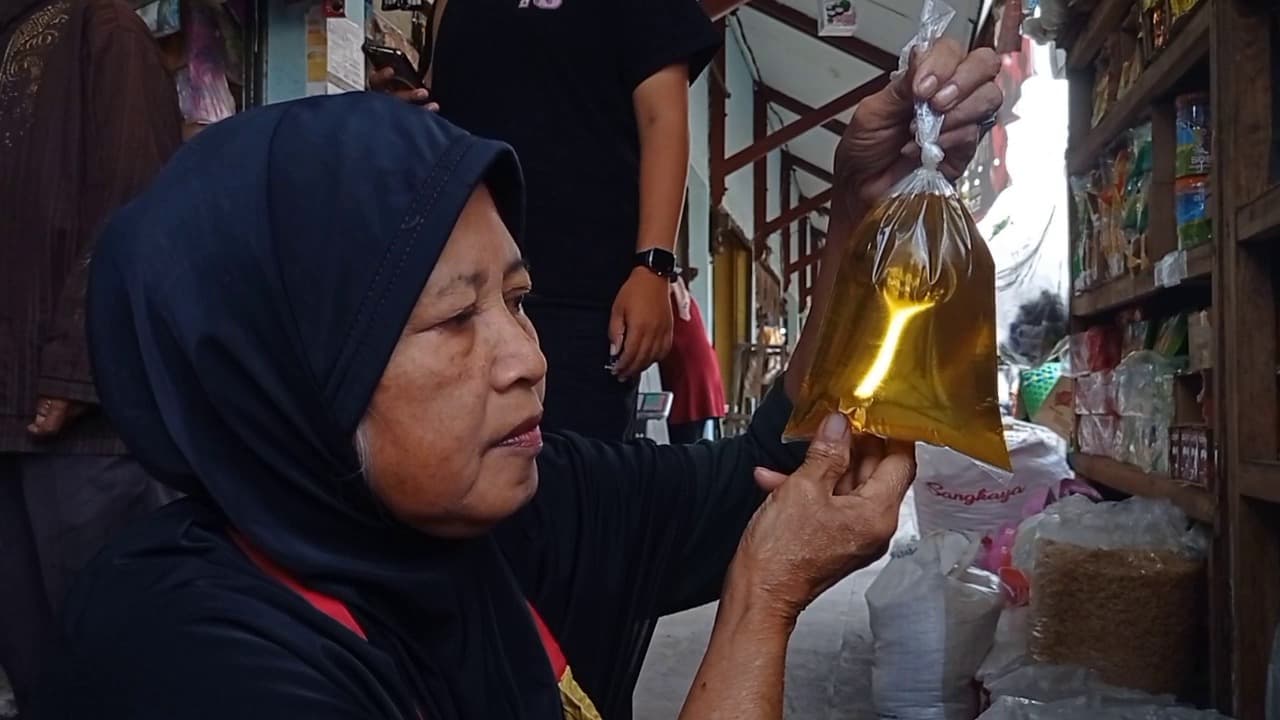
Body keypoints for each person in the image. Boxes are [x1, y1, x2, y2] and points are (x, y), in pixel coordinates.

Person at [35, 36, 1002, 719]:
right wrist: (761, 606)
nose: (530, 357)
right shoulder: (193, 660)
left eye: (520, 300)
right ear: (282, 373)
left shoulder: (517, 505)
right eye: (457, 318)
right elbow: (765, 547)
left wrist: (862, 209)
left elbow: (769, 466)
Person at [373, 0, 720, 443]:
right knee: (450, 472)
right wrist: (404, 106)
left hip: (582, 298)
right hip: (456, 287)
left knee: (571, 478)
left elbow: (663, 120)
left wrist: (653, 266)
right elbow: (445, 111)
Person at [0, 0, 182, 711]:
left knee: (107, 664)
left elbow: (135, 207)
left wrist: (76, 364)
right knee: (40, 667)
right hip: (17, 421)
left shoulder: (101, 31)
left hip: (86, 430)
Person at [659, 272, 727, 444]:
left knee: (683, 445)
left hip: (690, 377)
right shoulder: (682, 296)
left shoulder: (665, 302)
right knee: (692, 439)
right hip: (703, 373)